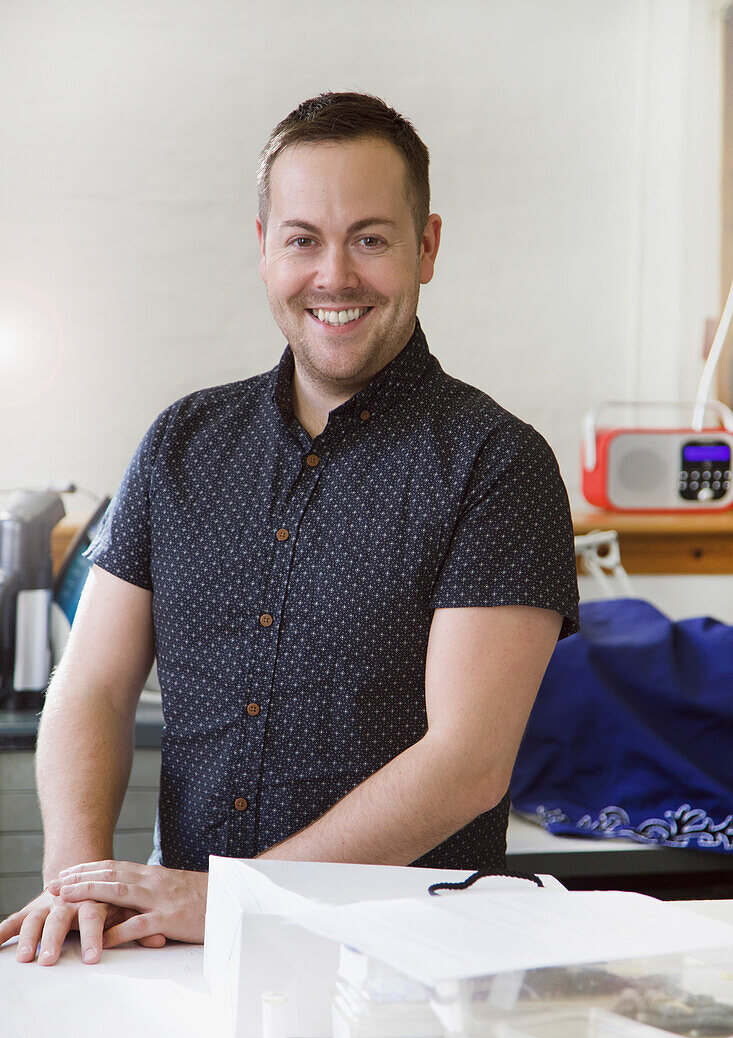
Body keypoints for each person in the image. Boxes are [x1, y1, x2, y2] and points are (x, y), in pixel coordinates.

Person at [0, 92, 579, 967]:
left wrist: (233, 899)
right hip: (186, 943)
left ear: (426, 249)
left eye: (371, 239)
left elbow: (466, 762)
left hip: (401, 955)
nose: (333, 276)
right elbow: (92, 689)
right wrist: (79, 884)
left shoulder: (497, 464)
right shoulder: (179, 443)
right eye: (303, 238)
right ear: (264, 247)